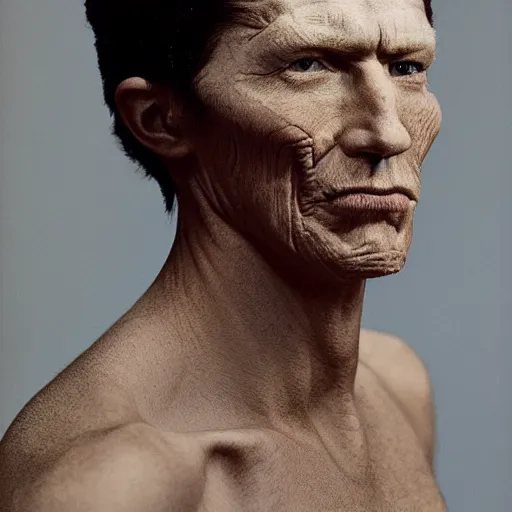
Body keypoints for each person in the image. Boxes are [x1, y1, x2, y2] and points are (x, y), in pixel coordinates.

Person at [0, 0, 446, 509]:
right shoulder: (114, 482)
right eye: (307, 66)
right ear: (160, 119)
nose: (390, 133)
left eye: (406, 67)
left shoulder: (396, 388)